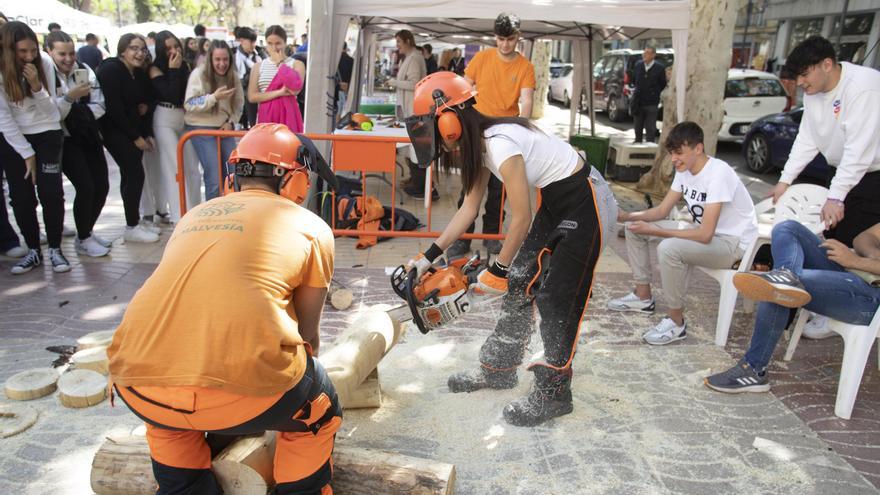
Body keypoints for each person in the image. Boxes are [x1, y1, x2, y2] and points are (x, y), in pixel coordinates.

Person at [107, 123, 342, 494]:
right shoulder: (312, 227)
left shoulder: (193, 216)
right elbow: (307, 337)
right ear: (295, 179)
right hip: (238, 393)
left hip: (138, 383)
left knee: (168, 421)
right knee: (321, 405)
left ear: (235, 174)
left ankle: (184, 487)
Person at [405, 72, 615, 426]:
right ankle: (498, 369)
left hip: (587, 202)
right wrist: (427, 258)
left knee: (557, 297)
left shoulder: (500, 142)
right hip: (557, 199)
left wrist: (497, 269)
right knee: (521, 279)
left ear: (448, 120)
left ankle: (554, 392)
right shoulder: (481, 147)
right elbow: (468, 209)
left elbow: (520, 216)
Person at [607, 122, 758, 344]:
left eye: (679, 153)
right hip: (706, 235)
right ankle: (642, 296)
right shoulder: (684, 171)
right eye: (671, 153)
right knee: (634, 229)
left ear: (698, 148)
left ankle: (676, 323)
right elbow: (662, 210)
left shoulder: (718, 174)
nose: (674, 159)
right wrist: (628, 216)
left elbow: (705, 234)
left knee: (669, 249)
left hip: (732, 244)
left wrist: (656, 232)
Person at [704, 220, 880, 392]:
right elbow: (864, 237)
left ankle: (753, 368)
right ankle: (787, 274)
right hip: (860, 274)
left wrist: (857, 262)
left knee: (778, 287)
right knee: (787, 228)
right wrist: (874, 257)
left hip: (871, 297)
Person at [768, 36, 880, 249]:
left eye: (804, 74)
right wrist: (785, 180)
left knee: (853, 248)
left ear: (827, 65)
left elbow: (858, 151)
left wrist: (836, 198)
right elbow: (807, 138)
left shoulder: (863, 87)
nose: (800, 82)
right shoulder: (814, 92)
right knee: (829, 243)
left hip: (871, 180)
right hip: (838, 173)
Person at [446, 13, 536, 258]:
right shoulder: (482, 58)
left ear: (518, 37)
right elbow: (463, 87)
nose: (505, 44)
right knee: (470, 188)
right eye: (501, 39)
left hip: (506, 134)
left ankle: (492, 236)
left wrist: (520, 127)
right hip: (477, 132)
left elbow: (526, 99)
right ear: (494, 37)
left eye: (510, 39)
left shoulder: (525, 66)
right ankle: (462, 238)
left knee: (499, 191)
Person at [0, 21, 69, 274]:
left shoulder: (44, 62)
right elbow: (4, 118)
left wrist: (37, 88)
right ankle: (33, 250)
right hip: (15, 139)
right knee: (21, 197)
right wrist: (26, 153)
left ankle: (55, 249)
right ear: (8, 50)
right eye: (22, 52)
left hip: (47, 134)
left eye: (32, 50)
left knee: (51, 193)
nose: (29, 57)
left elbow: (53, 112)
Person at [45, 31, 111, 257]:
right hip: (63, 139)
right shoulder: (46, 75)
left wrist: (73, 110)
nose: (68, 58)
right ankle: (83, 237)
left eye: (71, 53)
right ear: (50, 52)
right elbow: (51, 114)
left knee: (102, 185)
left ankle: (87, 232)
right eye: (61, 54)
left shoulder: (84, 70)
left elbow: (100, 105)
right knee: (86, 186)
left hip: (87, 135)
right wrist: (70, 99)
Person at [96, 33, 159, 243]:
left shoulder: (137, 73)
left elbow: (144, 101)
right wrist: (136, 137)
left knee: (132, 175)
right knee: (134, 174)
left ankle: (133, 222)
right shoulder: (111, 69)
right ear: (122, 49)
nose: (139, 53)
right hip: (114, 131)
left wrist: (143, 114)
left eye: (142, 49)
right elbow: (114, 109)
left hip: (129, 130)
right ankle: (132, 226)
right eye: (134, 48)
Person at [184, 40, 243, 200]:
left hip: (223, 128)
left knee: (232, 175)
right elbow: (189, 103)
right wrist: (214, 97)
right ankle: (212, 219)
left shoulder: (233, 76)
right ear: (210, 59)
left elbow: (238, 104)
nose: (222, 64)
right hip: (201, 128)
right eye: (218, 60)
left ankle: (230, 213)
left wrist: (231, 122)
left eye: (225, 59)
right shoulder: (198, 74)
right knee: (214, 178)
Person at [150, 30, 194, 222]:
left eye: (176, 46)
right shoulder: (155, 68)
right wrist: (174, 71)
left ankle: (194, 210)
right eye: (168, 48)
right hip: (164, 117)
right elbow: (171, 95)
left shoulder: (186, 66)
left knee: (191, 166)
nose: (174, 51)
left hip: (184, 117)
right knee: (173, 167)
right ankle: (178, 215)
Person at [248, 25, 305, 132]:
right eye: (270, 43)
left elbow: (295, 89)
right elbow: (252, 96)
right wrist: (279, 92)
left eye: (278, 43)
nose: (274, 48)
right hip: (266, 119)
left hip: (288, 117)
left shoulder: (297, 64)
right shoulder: (258, 66)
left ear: (285, 43)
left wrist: (280, 64)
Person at [631, 46, 666, 144]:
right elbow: (634, 80)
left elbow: (662, 83)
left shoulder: (659, 68)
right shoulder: (638, 65)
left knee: (650, 129)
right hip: (638, 102)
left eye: (647, 53)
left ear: (653, 55)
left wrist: (654, 93)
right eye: (644, 52)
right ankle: (637, 148)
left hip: (651, 103)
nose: (644, 55)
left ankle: (649, 149)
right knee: (638, 128)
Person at [234, 26, 261, 128]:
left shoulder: (259, 54)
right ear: (242, 41)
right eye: (251, 42)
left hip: (256, 98)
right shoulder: (234, 57)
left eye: (255, 42)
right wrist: (253, 73)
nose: (254, 45)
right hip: (240, 98)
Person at [336, 41, 354, 119]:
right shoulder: (351, 60)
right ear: (346, 48)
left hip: (337, 87)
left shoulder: (335, 61)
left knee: (338, 109)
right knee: (346, 109)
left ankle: (337, 126)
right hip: (348, 89)